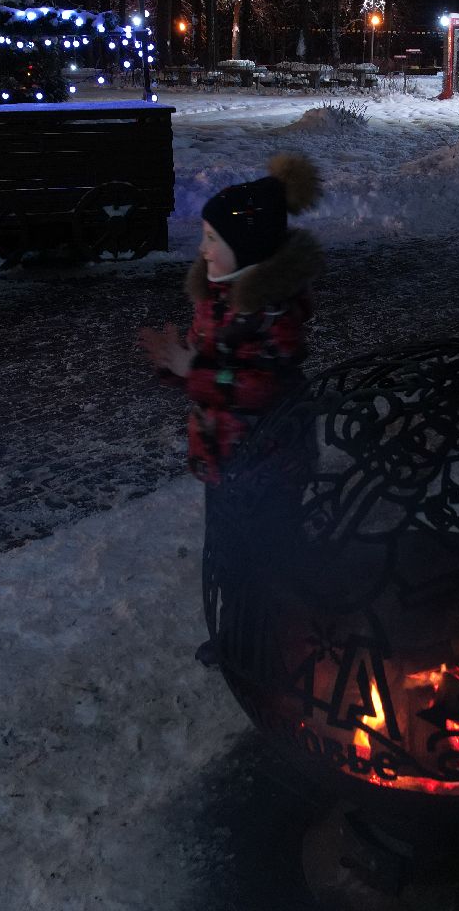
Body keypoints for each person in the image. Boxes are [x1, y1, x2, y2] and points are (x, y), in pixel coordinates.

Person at [140, 154, 324, 662]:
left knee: (267, 556)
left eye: (212, 240)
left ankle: (283, 639)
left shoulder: (271, 313)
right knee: (229, 553)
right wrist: (176, 365)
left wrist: (190, 370)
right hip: (225, 459)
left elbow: (254, 384)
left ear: (247, 248)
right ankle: (238, 634)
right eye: (204, 236)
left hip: (268, 462)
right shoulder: (217, 299)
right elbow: (213, 372)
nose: (202, 250)